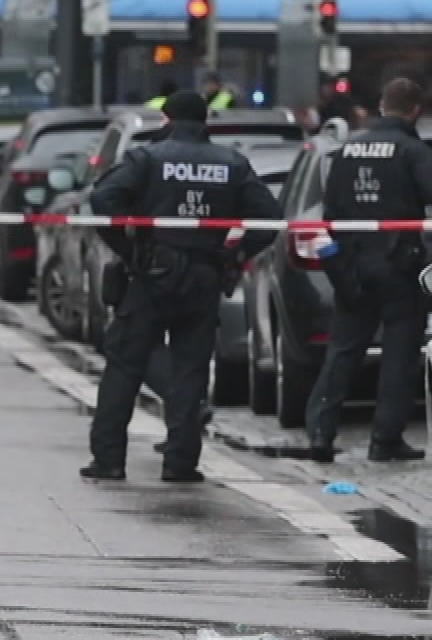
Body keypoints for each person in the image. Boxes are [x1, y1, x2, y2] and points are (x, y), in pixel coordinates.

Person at [81, 91, 281, 483]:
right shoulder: (232, 164)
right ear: (205, 121)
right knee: (191, 371)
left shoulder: (148, 158)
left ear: (167, 119)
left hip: (152, 274)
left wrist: (127, 246)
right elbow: (270, 218)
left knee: (124, 363)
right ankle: (180, 462)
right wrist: (236, 253)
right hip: (205, 276)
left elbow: (103, 197)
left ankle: (108, 459)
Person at [306, 77, 432, 463]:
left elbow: (331, 209)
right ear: (415, 111)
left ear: (380, 106)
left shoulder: (346, 150)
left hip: (352, 264)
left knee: (343, 351)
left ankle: (320, 435)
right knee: (399, 353)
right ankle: (385, 439)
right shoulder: (413, 150)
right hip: (400, 266)